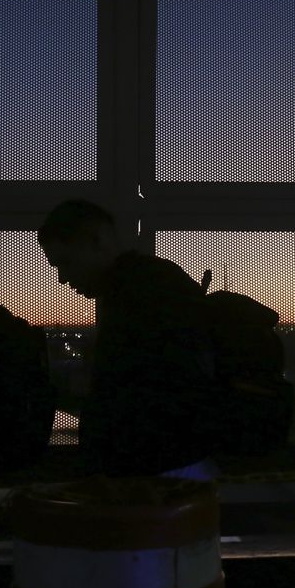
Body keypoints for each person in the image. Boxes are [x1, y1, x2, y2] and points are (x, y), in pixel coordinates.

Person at [37, 199, 220, 479]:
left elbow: (126, 398)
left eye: (65, 262)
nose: (62, 277)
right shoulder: (150, 284)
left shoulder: (134, 296)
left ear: (97, 240)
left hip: (160, 471)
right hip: (177, 462)